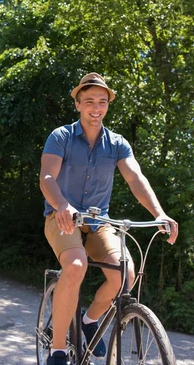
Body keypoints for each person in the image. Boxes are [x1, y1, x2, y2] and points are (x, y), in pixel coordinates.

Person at [39, 73, 178, 364]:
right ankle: (59, 348)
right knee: (76, 266)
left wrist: (159, 213)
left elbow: (136, 178)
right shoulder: (61, 136)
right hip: (62, 216)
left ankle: (89, 321)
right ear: (77, 104)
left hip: (99, 220)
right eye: (89, 101)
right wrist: (62, 205)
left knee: (125, 274)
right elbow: (47, 177)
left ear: (107, 106)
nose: (96, 107)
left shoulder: (117, 144)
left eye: (102, 102)